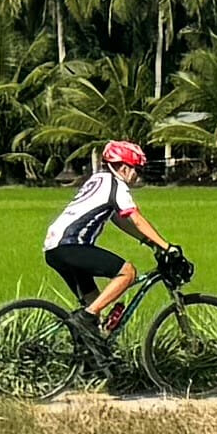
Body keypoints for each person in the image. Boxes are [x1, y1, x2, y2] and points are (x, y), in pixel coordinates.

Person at [43, 137, 177, 341]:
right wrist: (167, 247)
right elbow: (136, 218)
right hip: (71, 245)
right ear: (123, 167)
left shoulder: (99, 180)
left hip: (54, 249)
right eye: (136, 169)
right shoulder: (117, 185)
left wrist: (149, 242)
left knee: (96, 308)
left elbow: (119, 220)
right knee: (128, 273)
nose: (137, 176)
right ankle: (86, 318)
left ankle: (92, 361)